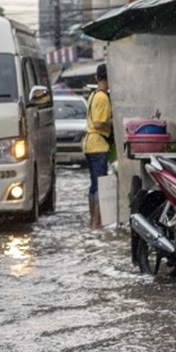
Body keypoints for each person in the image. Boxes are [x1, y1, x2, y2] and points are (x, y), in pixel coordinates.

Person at [82, 63, 112, 230]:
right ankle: (97, 221)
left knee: (94, 184)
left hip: (89, 144)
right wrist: (113, 123)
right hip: (98, 145)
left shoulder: (93, 95)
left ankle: (93, 220)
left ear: (96, 77)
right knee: (100, 184)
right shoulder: (103, 98)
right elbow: (99, 123)